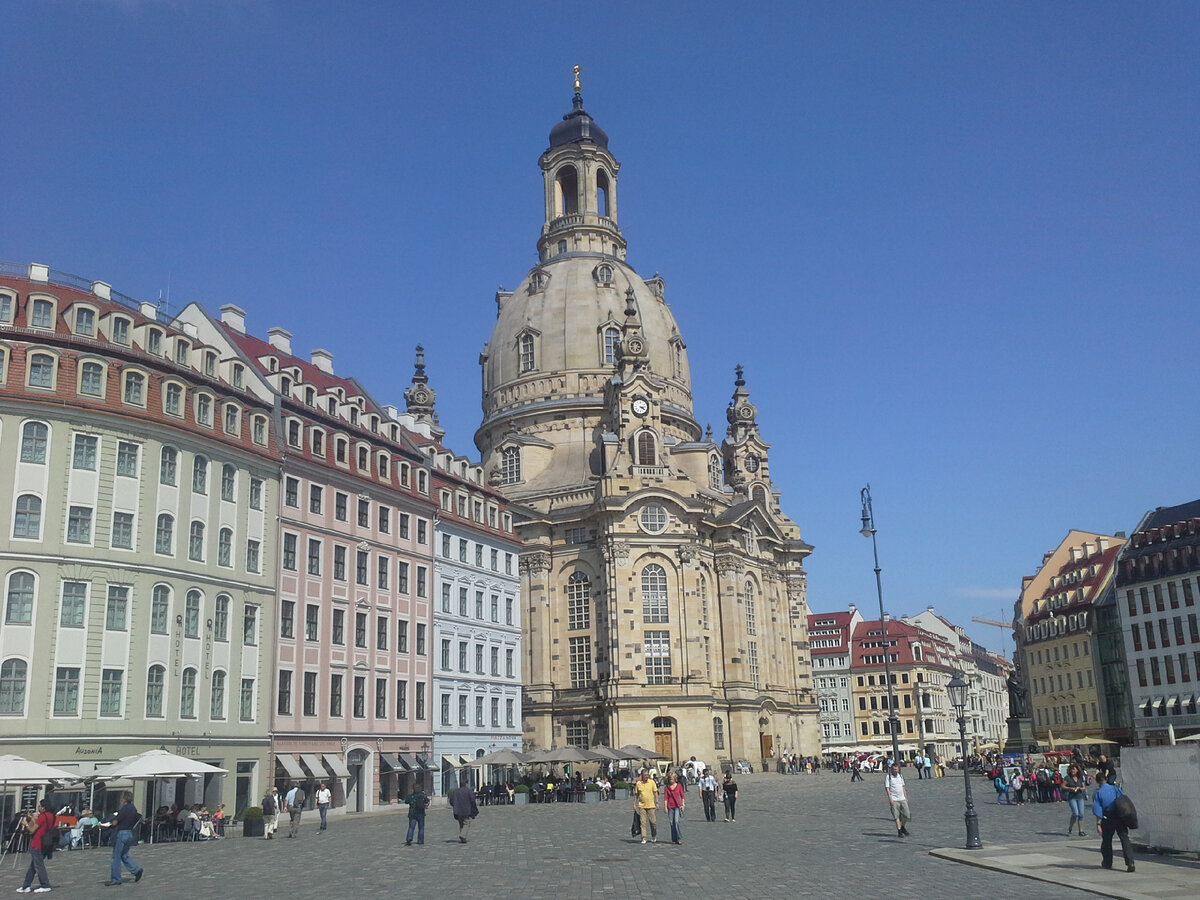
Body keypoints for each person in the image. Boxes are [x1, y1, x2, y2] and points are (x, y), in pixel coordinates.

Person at [1092, 773, 1134, 872]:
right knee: (1124, 839)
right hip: (1119, 816)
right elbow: (1123, 800)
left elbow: (1098, 810)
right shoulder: (1115, 788)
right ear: (1106, 779)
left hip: (1108, 817)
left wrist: (1098, 824)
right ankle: (1130, 862)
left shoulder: (1098, 793)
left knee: (1107, 840)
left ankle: (1107, 862)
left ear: (1097, 782)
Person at [105, 790, 144, 887]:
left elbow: (115, 822)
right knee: (124, 855)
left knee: (116, 857)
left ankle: (116, 878)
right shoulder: (133, 808)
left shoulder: (124, 809)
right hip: (130, 833)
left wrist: (107, 824)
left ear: (124, 799)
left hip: (122, 833)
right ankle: (136, 870)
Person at [18, 798, 55, 893]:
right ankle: (26, 885)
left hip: (38, 842)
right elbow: (41, 826)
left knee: (39, 866)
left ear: (43, 807)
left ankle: (45, 884)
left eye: (39, 806)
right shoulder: (52, 816)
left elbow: (32, 830)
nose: (38, 807)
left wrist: (26, 824)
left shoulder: (43, 816)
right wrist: (32, 819)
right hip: (46, 843)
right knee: (33, 866)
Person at [447, 775, 479, 843]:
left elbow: (451, 801)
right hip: (466, 810)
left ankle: (463, 838)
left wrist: (455, 806)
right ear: (466, 784)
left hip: (458, 811)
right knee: (467, 823)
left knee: (461, 824)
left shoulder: (456, 791)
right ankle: (462, 835)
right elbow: (472, 800)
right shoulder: (468, 791)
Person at [884, 763, 910, 837]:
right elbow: (887, 788)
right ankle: (899, 831)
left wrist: (906, 796)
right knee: (896, 816)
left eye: (896, 769)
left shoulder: (900, 776)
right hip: (894, 799)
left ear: (898, 769)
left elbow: (903, 787)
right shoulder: (888, 777)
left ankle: (902, 827)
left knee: (907, 815)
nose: (895, 771)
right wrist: (890, 798)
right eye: (893, 769)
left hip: (902, 798)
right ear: (891, 769)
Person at [634, 768, 659, 843]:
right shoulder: (638, 783)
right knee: (643, 823)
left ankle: (654, 835)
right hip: (642, 806)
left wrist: (657, 802)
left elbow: (655, 793)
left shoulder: (652, 782)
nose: (646, 776)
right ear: (642, 775)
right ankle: (643, 837)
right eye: (645, 775)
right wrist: (634, 804)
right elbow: (636, 795)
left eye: (647, 775)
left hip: (651, 805)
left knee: (653, 822)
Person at [1063, 764, 1088, 836]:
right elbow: (1063, 786)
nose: (1072, 771)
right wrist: (1070, 788)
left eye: (1074, 769)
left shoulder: (1080, 777)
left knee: (1081, 814)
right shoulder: (1067, 778)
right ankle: (1070, 827)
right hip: (1072, 797)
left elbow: (1084, 787)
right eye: (1071, 769)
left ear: (1077, 770)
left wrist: (1080, 788)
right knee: (1075, 813)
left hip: (1080, 797)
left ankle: (1081, 831)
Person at [664, 771, 685, 844]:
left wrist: (683, 804)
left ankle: (679, 838)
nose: (671, 780)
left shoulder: (679, 786)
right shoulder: (667, 788)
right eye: (670, 779)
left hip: (677, 806)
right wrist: (665, 807)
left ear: (675, 779)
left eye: (672, 779)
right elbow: (665, 798)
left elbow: (682, 796)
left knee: (676, 821)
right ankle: (674, 838)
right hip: (670, 806)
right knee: (671, 823)